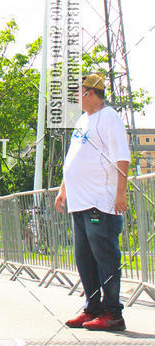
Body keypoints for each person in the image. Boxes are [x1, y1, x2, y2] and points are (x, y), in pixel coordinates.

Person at [55, 73, 130, 332]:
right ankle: (92, 308)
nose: (76, 97)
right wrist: (64, 189)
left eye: (79, 92)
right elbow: (73, 158)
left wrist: (121, 193)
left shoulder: (109, 118)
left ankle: (112, 312)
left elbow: (122, 158)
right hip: (79, 201)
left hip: (100, 200)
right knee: (84, 258)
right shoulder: (83, 121)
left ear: (90, 92)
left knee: (105, 256)